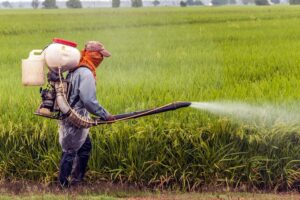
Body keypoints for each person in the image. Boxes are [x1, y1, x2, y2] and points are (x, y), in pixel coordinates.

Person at [58, 41, 114, 187]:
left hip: (72, 114)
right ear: (94, 55)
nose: (101, 59)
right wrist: (105, 115)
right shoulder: (86, 72)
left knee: (84, 147)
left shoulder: (75, 69)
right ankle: (63, 186)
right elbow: (88, 101)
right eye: (100, 56)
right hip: (75, 117)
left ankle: (77, 180)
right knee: (70, 150)